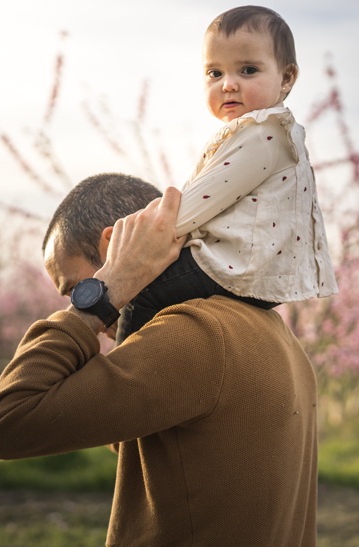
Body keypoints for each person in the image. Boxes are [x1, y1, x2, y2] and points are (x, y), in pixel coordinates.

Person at [0, 173, 320, 547]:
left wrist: (105, 293)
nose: (81, 303)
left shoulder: (194, 336)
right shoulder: (271, 332)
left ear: (116, 245)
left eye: (75, 287)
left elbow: (5, 421)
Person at [115, 5, 337, 344]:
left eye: (248, 70)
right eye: (214, 73)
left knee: (140, 293)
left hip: (239, 263)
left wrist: (148, 236)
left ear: (287, 77)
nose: (228, 85)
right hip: (251, 264)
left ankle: (122, 378)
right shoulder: (260, 134)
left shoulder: (264, 134)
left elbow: (201, 200)